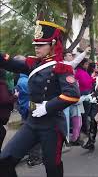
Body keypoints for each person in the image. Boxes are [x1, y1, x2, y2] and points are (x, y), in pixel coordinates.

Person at [0, 20, 80, 177]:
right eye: (35, 44)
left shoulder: (62, 67)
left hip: (51, 125)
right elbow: (9, 63)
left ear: (53, 44)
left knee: (52, 168)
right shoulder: (33, 64)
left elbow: (73, 94)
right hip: (31, 122)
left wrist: (47, 107)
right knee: (4, 161)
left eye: (41, 44)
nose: (36, 47)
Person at [0, 68, 18, 152]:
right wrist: (15, 96)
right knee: (2, 132)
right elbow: (5, 99)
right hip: (1, 114)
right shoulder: (2, 84)